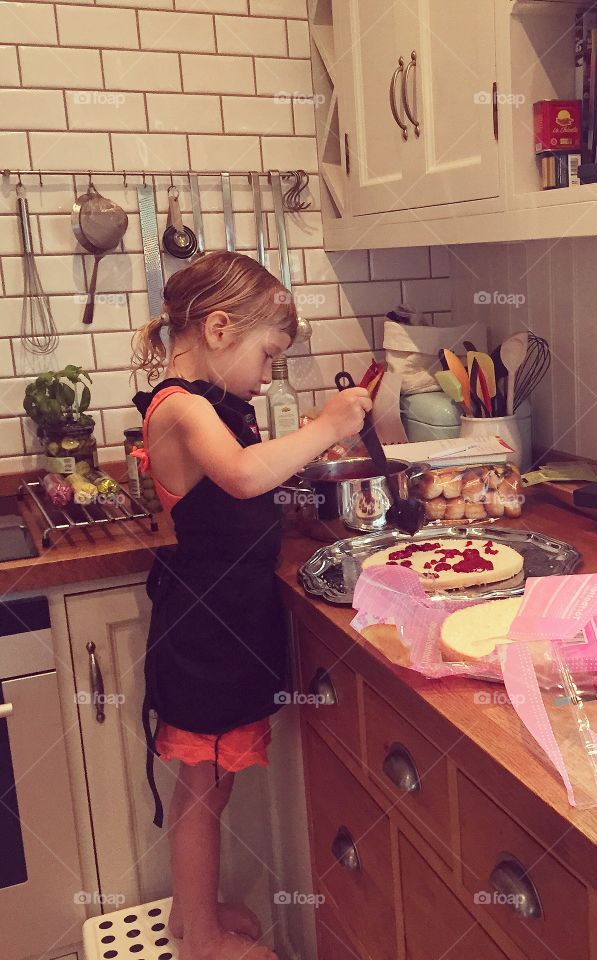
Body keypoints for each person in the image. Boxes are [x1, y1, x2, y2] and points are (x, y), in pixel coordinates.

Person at [130, 251, 371, 960]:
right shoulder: (182, 406)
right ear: (218, 328)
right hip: (205, 631)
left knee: (213, 784)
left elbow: (255, 484)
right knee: (204, 788)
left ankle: (190, 913)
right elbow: (239, 478)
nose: (268, 374)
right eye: (267, 355)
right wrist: (327, 425)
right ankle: (201, 939)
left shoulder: (214, 406)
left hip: (226, 621)